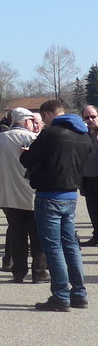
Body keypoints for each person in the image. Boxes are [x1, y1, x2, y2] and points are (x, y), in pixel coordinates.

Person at [20, 99, 92, 311]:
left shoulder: (50, 134)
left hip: (49, 195)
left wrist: (25, 153)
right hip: (70, 196)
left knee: (53, 247)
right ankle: (79, 293)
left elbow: (28, 160)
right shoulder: (84, 135)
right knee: (71, 245)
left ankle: (61, 296)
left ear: (48, 115)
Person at [0, 107, 46, 282]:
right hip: (34, 195)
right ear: (27, 121)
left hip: (9, 196)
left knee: (17, 235)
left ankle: (18, 272)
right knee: (37, 235)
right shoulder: (34, 138)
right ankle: (39, 272)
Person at [81, 105, 98, 246]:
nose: (90, 119)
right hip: (87, 178)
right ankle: (96, 235)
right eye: (87, 117)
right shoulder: (83, 135)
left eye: (93, 116)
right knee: (92, 209)